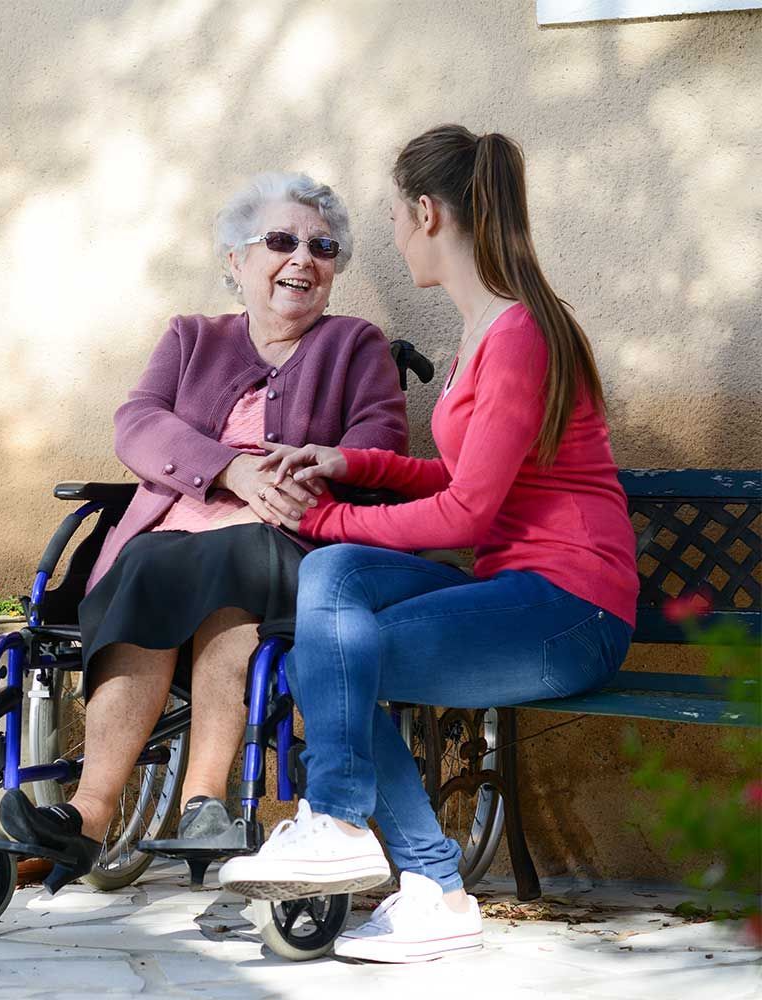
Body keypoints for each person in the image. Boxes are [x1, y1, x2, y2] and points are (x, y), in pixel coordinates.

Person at [217, 126, 639, 964]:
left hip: (570, 609)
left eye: (396, 219)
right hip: (512, 594)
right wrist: (346, 463)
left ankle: (388, 855)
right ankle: (389, 858)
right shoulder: (485, 335)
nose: (396, 237)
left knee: (330, 652)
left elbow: (466, 515)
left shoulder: (520, 335)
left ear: (426, 211)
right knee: (332, 594)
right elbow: (456, 473)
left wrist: (324, 515)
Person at [0, 172, 409, 880]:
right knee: (154, 562)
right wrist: (228, 471)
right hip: (174, 544)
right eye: (280, 241)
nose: (303, 259)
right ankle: (89, 814)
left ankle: (203, 801)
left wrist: (309, 471)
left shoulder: (355, 345)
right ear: (235, 262)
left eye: (322, 246)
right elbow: (138, 423)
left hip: (287, 544)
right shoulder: (192, 338)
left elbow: (382, 434)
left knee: (235, 558)